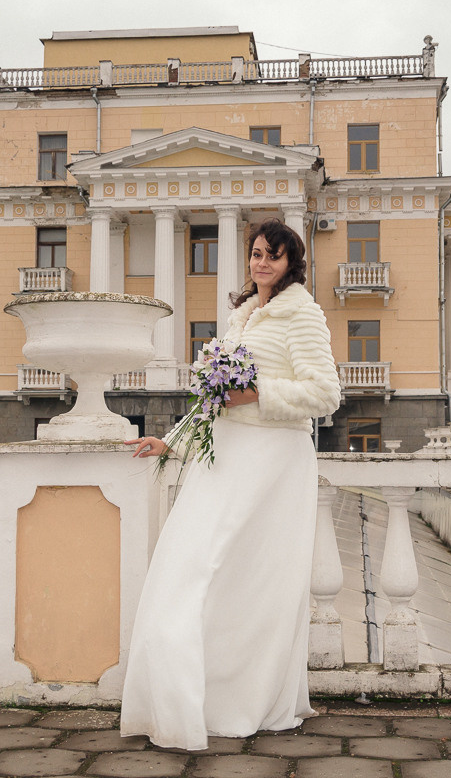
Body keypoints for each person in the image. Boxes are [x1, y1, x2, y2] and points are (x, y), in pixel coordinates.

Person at [120, 218, 342, 750]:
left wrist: (259, 392)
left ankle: (245, 700)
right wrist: (172, 441)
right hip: (225, 458)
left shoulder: (302, 314)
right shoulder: (241, 316)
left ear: (291, 263)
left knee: (252, 583)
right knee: (192, 570)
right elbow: (216, 399)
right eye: (257, 253)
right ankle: (192, 700)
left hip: (272, 462)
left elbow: (325, 393)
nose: (262, 263)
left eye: (273, 255)